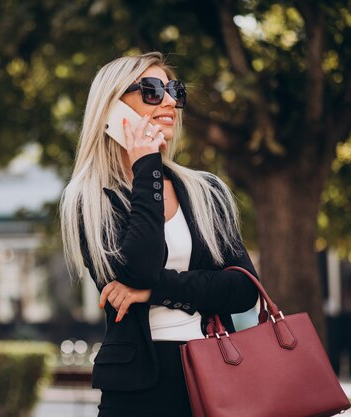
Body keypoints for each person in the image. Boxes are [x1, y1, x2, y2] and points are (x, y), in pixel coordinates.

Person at [59, 51, 260, 416]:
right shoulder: (88, 199)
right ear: (113, 108)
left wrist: (155, 290)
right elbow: (138, 267)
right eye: (151, 90)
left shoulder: (206, 191)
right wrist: (146, 165)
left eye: (174, 90)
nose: (169, 101)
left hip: (215, 375)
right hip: (136, 390)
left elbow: (244, 288)